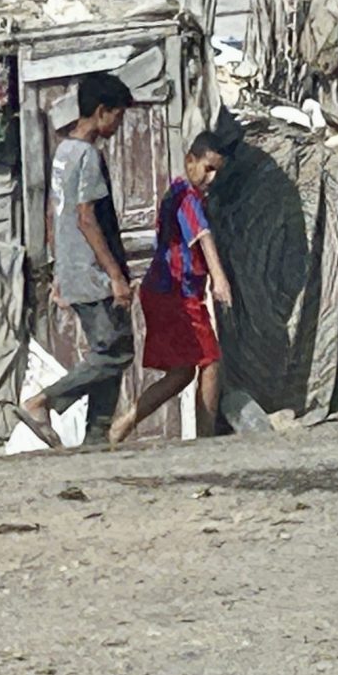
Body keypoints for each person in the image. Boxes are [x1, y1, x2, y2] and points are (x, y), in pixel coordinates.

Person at [15, 73, 134, 449]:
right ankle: (43, 401)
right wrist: (115, 274)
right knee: (116, 352)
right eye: (118, 116)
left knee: (109, 350)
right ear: (101, 112)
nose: (118, 124)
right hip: (92, 271)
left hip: (73, 268)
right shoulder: (87, 156)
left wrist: (58, 269)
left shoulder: (63, 152)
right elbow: (85, 218)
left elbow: (54, 214)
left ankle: (96, 438)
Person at [110, 134, 234, 443]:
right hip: (174, 294)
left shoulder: (181, 192)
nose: (211, 178)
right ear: (190, 160)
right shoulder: (186, 196)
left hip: (167, 292)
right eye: (207, 168)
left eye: (217, 172)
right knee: (210, 361)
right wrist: (219, 279)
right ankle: (206, 439)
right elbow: (203, 235)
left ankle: (121, 426)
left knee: (183, 372)